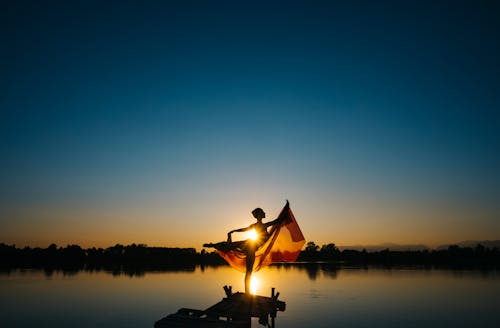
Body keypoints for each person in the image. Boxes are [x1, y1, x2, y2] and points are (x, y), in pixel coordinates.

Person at [227, 207, 283, 294]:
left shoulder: (257, 225)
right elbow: (276, 221)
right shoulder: (263, 225)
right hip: (251, 247)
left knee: (249, 271)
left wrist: (234, 231)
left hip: (251, 247)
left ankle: (247, 292)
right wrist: (285, 213)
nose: (265, 212)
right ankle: (247, 293)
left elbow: (244, 229)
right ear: (259, 215)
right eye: (263, 212)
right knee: (249, 271)